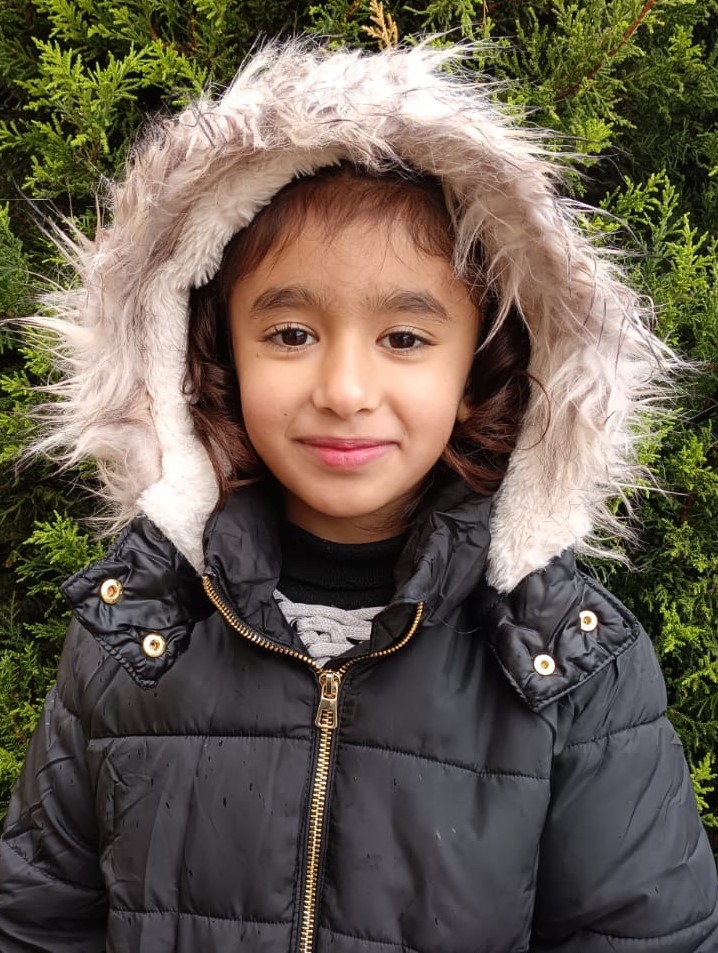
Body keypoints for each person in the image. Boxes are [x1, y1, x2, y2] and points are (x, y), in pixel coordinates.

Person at [0, 40, 716, 953]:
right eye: (291, 333)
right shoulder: (133, 638)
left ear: (480, 369)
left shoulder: (566, 667)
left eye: (405, 338)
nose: (343, 389)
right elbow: (38, 923)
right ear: (211, 355)